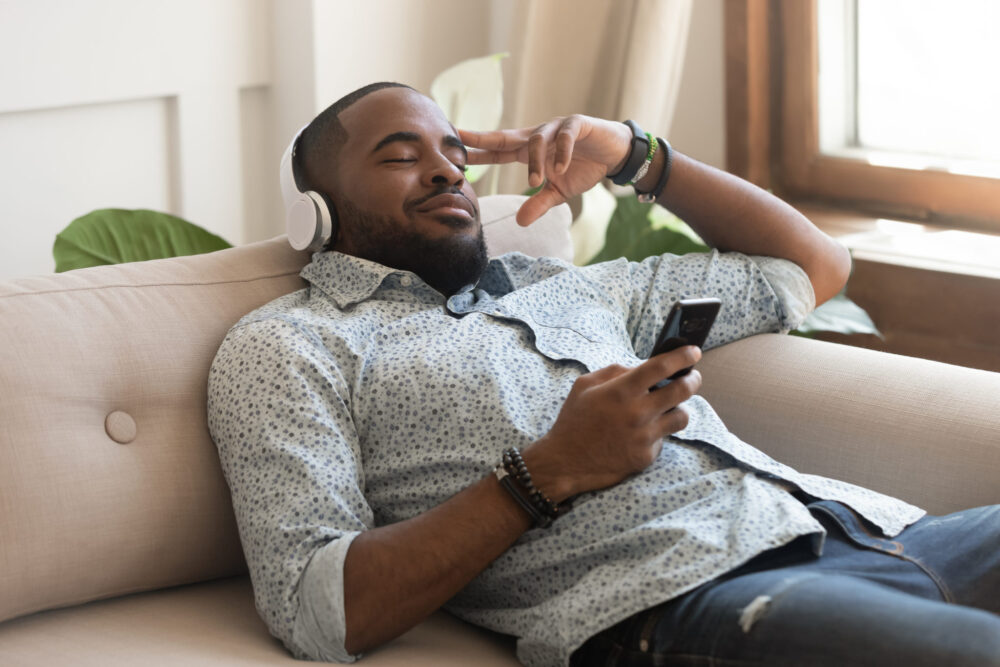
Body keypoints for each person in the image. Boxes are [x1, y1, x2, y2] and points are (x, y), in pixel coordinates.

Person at [206, 82, 1000, 667]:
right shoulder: (289, 345)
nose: (449, 172)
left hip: (869, 531)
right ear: (314, 208)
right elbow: (316, 607)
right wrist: (548, 469)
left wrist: (635, 156)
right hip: (694, 599)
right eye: (402, 156)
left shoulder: (572, 285)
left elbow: (815, 265)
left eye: (454, 153)